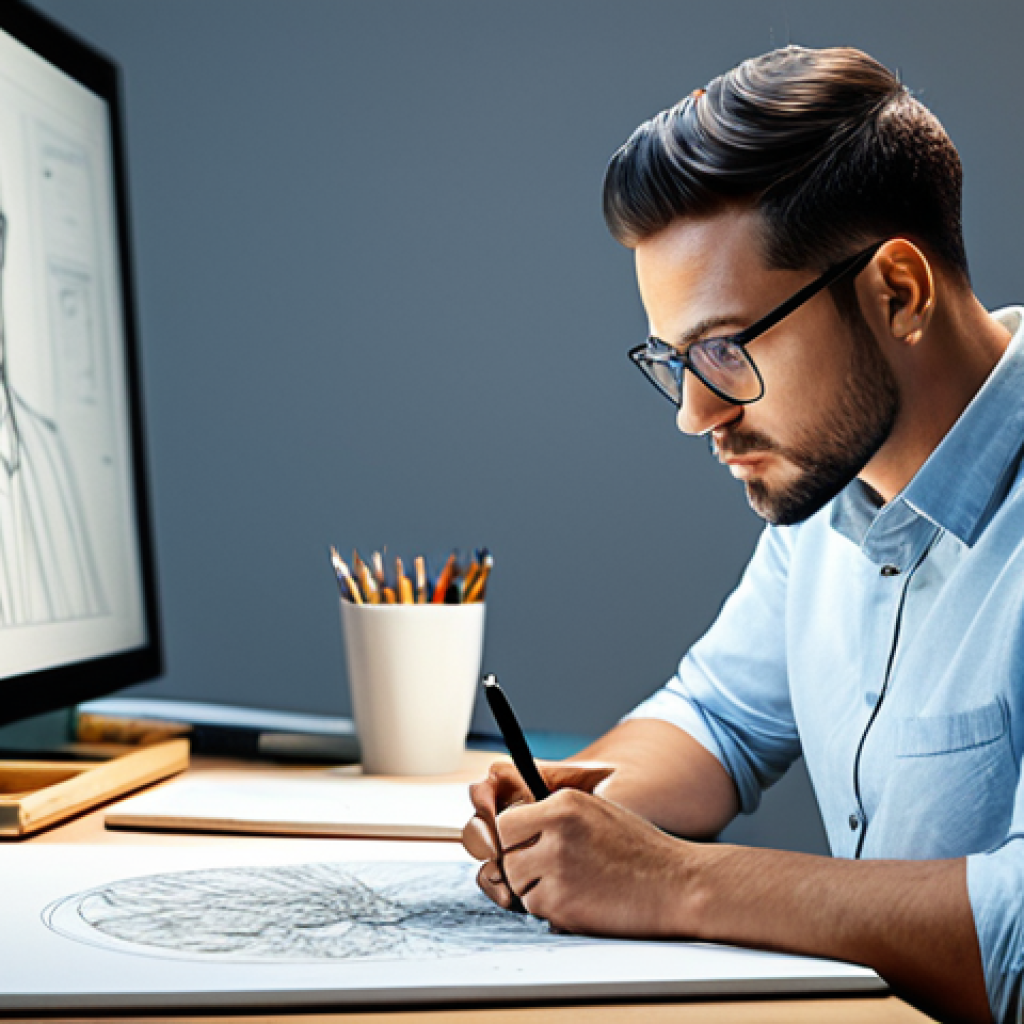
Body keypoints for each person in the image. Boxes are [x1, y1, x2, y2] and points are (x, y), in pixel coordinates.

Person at [461, 46, 1023, 1024]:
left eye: (724, 347)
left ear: (898, 291)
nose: (693, 412)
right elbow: (718, 720)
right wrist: (581, 813)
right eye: (673, 358)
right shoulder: (831, 483)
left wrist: (672, 882)